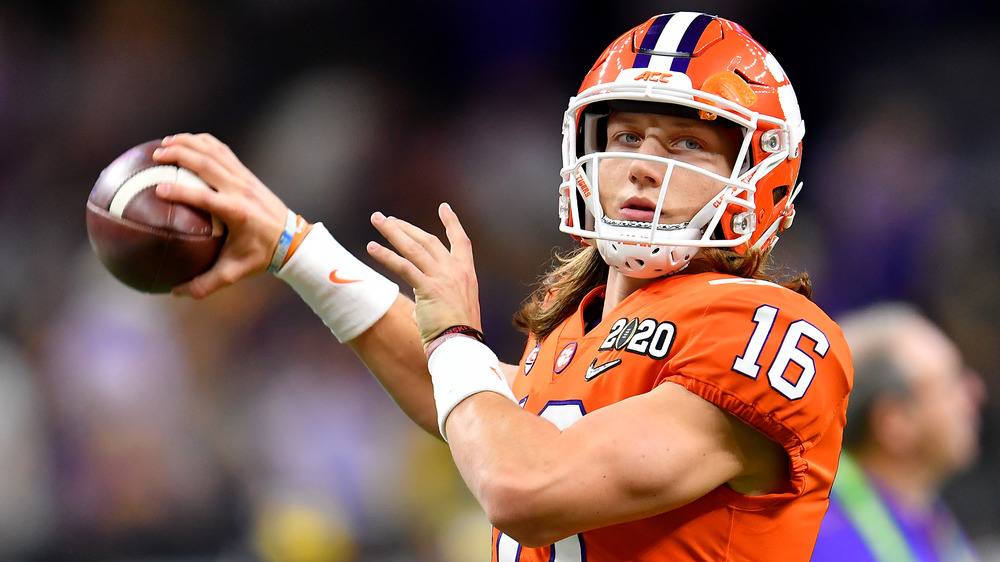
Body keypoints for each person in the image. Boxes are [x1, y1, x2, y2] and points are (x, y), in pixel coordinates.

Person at [150, 12, 853, 560]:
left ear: (764, 175)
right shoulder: (579, 328)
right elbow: (471, 407)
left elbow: (525, 484)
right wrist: (293, 246)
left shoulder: (763, 329)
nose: (643, 167)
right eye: (628, 137)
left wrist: (455, 335)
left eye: (686, 144)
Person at [812, 303, 984, 562]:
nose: (975, 392)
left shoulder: (924, 517)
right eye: (951, 384)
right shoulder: (826, 536)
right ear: (895, 423)